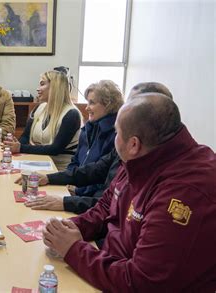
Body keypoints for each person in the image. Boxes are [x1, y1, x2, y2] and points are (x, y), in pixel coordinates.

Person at [43, 94, 216, 291]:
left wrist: (74, 249)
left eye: (116, 132)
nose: (114, 139)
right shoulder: (145, 155)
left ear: (133, 144)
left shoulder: (185, 191)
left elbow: (141, 282)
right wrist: (71, 228)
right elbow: (107, 205)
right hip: (108, 264)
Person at [19, 82, 173, 215]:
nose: (86, 108)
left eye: (92, 103)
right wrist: (50, 179)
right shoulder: (91, 129)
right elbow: (94, 171)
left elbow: (108, 202)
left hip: (87, 203)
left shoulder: (120, 138)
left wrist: (68, 201)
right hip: (84, 200)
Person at [3, 70, 81, 169]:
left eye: (42, 84)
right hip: (36, 164)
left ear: (55, 87)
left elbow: (55, 149)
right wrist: (14, 144)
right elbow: (26, 137)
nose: (37, 89)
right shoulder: (39, 108)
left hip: (60, 170)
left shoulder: (71, 114)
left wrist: (20, 148)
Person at [66, 80, 123, 197]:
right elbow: (75, 161)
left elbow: (103, 177)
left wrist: (78, 190)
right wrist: (69, 180)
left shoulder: (116, 136)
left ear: (108, 104)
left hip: (89, 200)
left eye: (91, 103)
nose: (86, 108)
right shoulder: (87, 129)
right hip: (75, 191)